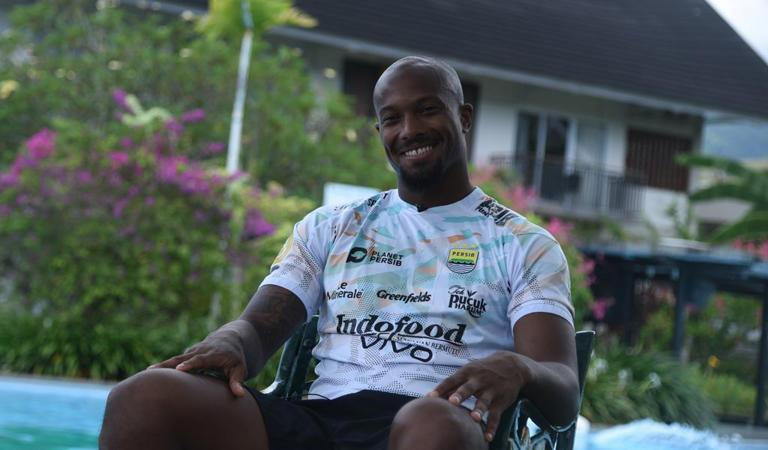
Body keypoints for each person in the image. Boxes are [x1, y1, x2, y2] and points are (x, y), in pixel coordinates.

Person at [99, 56, 579, 450]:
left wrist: (520, 368)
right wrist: (231, 340)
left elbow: (563, 389)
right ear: (380, 131)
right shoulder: (332, 226)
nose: (410, 129)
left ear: (464, 118)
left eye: (427, 110)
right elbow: (257, 330)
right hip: (321, 421)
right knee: (141, 397)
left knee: (429, 423)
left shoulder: (523, 243)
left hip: (437, 425)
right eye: (392, 118)